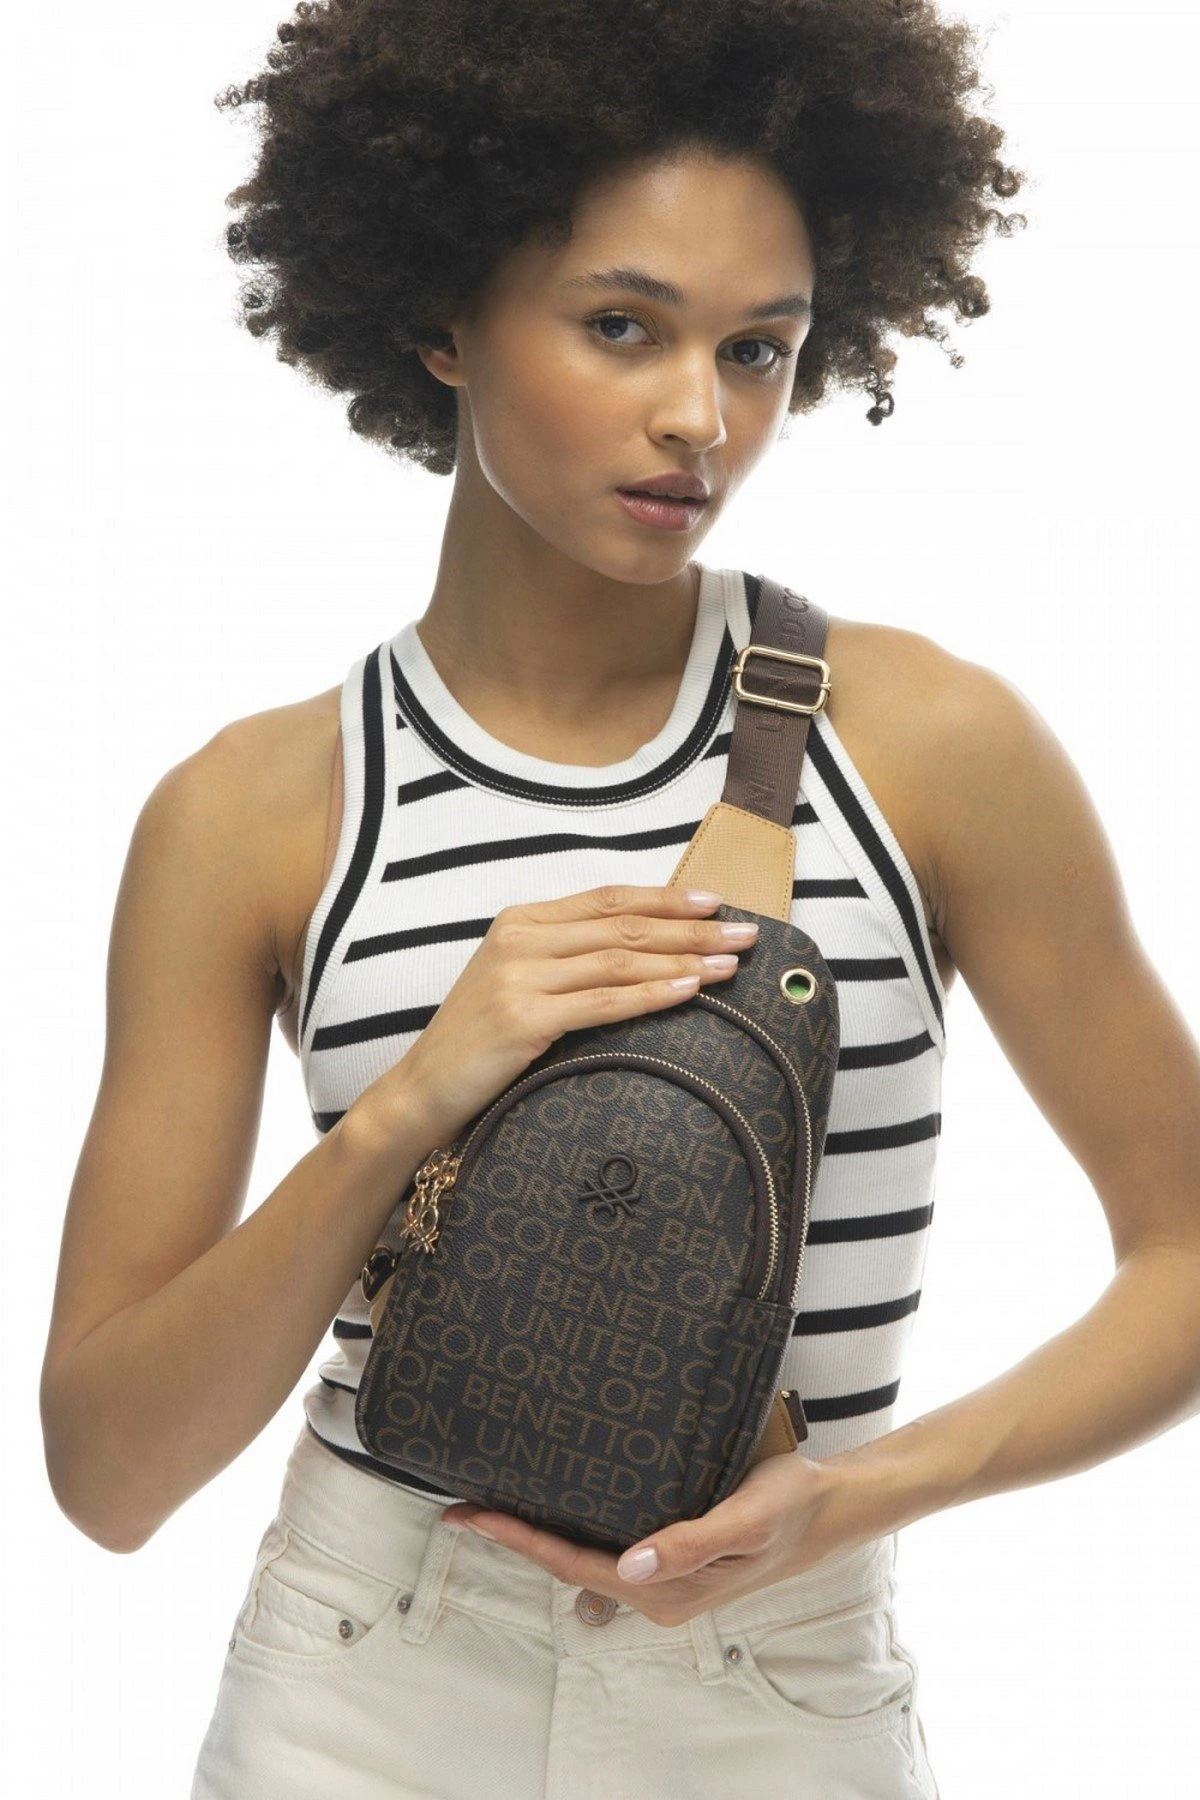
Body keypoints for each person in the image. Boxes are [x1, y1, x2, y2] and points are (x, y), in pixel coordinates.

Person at [37, 1, 1200, 1796]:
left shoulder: (932, 745)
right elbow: (108, 1477)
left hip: (781, 1679)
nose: (698, 418)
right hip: (364, 1678)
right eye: (620, 325)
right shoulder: (253, 814)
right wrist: (412, 1103)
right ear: (441, 314)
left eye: (759, 349)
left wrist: (871, 1493)